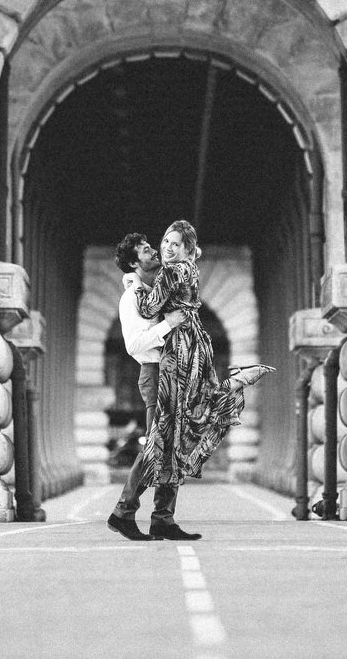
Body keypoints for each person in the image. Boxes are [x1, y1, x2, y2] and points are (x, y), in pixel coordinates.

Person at [131, 220, 271, 538]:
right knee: (182, 425)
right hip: (198, 347)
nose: (166, 247)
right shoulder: (191, 270)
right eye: (165, 240)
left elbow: (147, 307)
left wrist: (135, 283)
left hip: (178, 352)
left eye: (174, 244)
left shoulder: (169, 273)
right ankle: (159, 516)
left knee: (167, 432)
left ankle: (133, 511)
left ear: (187, 250)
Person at [106, 233, 188, 542]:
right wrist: (170, 324)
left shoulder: (154, 292)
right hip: (154, 374)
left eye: (151, 247)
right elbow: (133, 344)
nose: (154, 251)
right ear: (132, 262)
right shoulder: (131, 298)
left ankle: (162, 518)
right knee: (157, 448)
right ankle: (124, 512)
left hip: (172, 372)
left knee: (172, 449)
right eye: (145, 250)